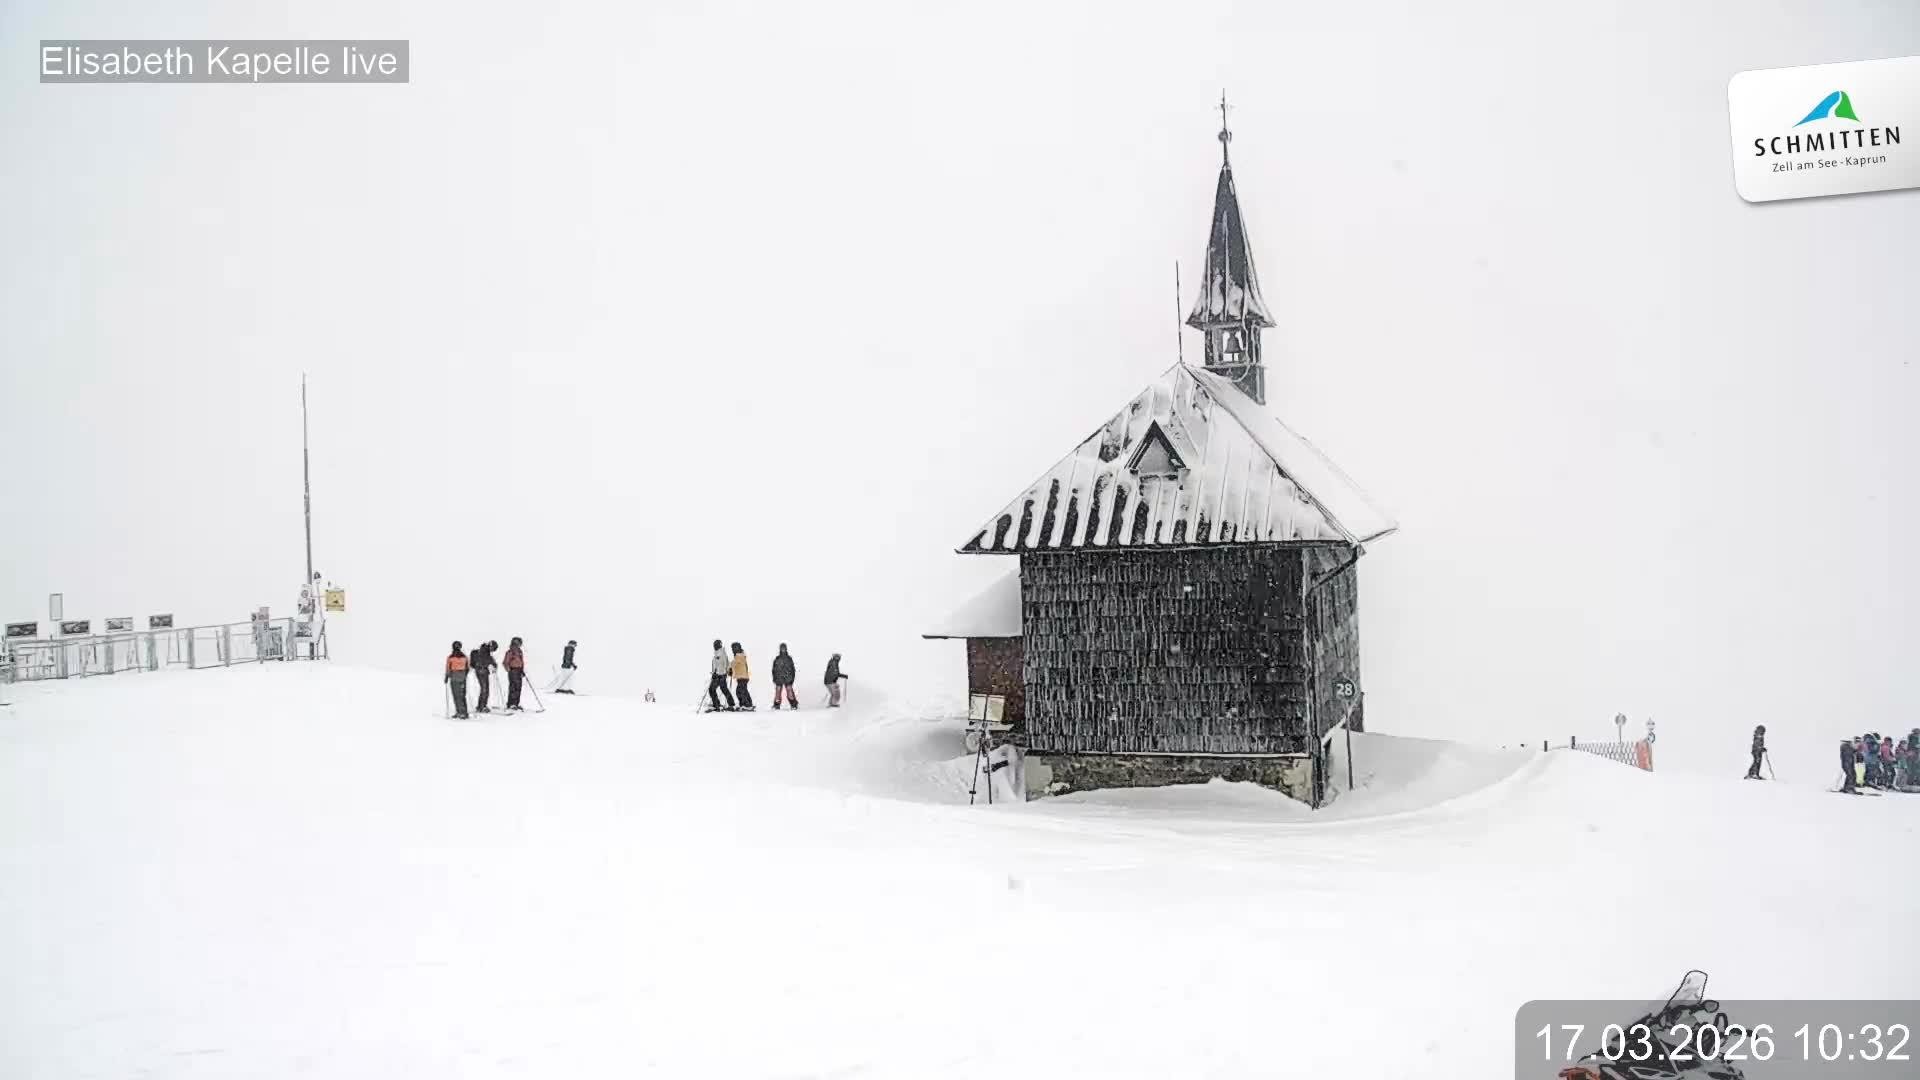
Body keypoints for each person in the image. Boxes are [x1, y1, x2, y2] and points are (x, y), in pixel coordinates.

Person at [707, 639, 735, 711]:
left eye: (715, 645)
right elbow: (726, 663)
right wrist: (729, 670)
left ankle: (716, 705)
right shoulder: (721, 653)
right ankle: (731, 704)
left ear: (718, 645)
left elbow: (719, 665)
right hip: (721, 675)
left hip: (719, 675)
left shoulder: (719, 654)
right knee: (724, 689)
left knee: (711, 689)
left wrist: (715, 673)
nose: (714, 646)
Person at [445, 641, 470, 719]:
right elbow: (467, 668)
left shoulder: (450, 657)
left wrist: (447, 676)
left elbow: (448, 668)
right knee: (462, 695)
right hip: (462, 677)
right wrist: (464, 675)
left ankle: (460, 712)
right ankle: (464, 712)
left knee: (456, 696)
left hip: (454, 678)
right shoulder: (464, 657)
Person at [470, 640, 496, 713]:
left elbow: (490, 660)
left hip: (484, 671)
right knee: (484, 689)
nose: (492, 651)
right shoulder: (483, 652)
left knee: (485, 689)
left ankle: (482, 705)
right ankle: (481, 706)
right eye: (493, 649)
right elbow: (486, 660)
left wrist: (494, 665)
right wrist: (493, 664)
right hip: (481, 671)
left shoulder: (486, 652)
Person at [770, 643, 798, 710]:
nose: (783, 650)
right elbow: (774, 669)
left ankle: (793, 704)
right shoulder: (777, 658)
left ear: (786, 649)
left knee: (789, 692)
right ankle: (776, 705)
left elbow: (792, 669)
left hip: (788, 678)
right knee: (778, 692)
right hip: (779, 678)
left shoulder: (789, 658)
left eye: (784, 648)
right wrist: (774, 677)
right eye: (782, 648)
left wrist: (792, 678)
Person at [503, 636, 527, 711]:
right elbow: (505, 662)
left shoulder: (520, 652)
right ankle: (511, 704)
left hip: (519, 670)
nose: (520, 645)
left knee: (518, 687)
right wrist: (509, 670)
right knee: (513, 687)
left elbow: (521, 662)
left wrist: (522, 670)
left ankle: (516, 703)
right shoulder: (510, 652)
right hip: (513, 670)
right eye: (519, 643)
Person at [730, 642, 754, 710]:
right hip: (743, 677)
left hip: (742, 677)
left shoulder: (739, 656)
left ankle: (745, 704)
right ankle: (748, 703)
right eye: (733, 648)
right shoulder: (741, 655)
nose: (733, 649)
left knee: (740, 691)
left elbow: (733, 664)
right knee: (743, 690)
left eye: (735, 648)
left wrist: (729, 669)